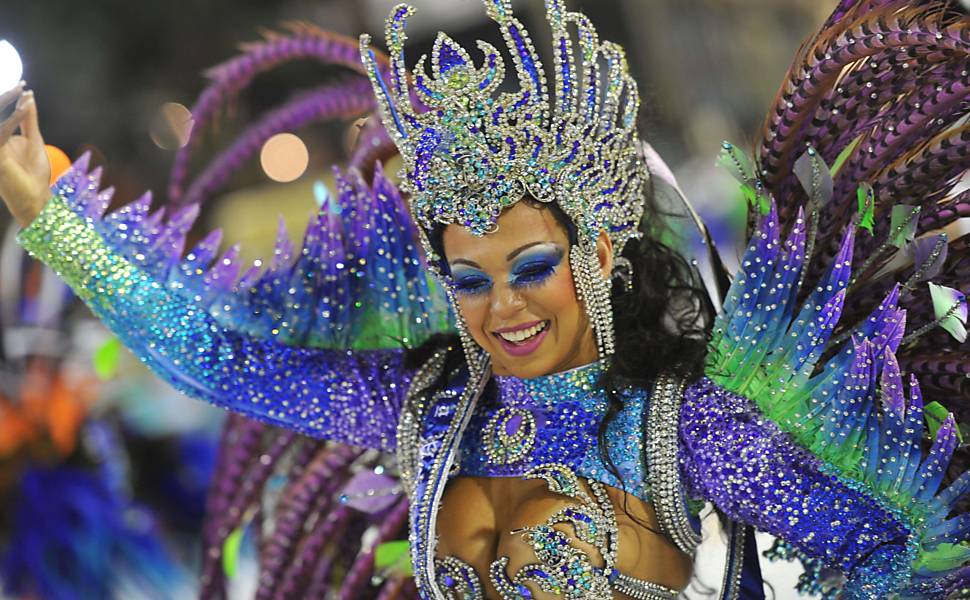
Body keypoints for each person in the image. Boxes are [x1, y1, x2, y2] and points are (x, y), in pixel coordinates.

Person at [1, 0, 969, 598]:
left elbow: (889, 550)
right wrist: (49, 212)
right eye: (468, 279)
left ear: (596, 247)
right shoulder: (424, 411)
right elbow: (216, 358)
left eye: (529, 268)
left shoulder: (684, 429)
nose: (500, 305)